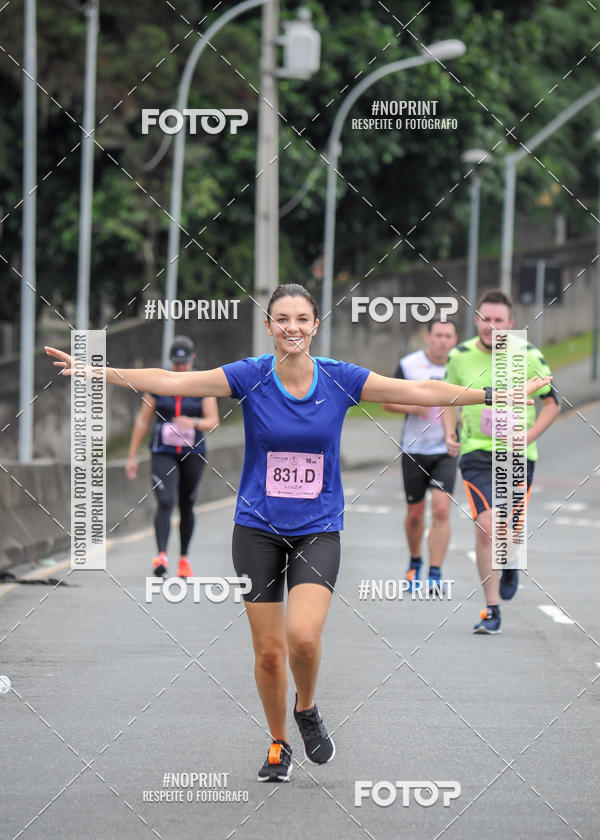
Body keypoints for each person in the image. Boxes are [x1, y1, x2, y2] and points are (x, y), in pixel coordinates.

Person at [45, 283, 551, 781]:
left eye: (302, 319)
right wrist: (97, 372)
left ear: (314, 326)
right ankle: (278, 742)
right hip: (257, 530)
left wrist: (494, 392)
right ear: (268, 326)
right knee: (268, 652)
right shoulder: (249, 375)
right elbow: (174, 382)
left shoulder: (339, 378)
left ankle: (305, 708)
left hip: (318, 529)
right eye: (282, 319)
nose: (292, 328)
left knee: (303, 639)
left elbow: (419, 390)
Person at [442, 289, 560, 635]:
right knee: (485, 527)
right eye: (484, 318)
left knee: (506, 534)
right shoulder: (459, 356)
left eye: (498, 320)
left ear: (510, 324)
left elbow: (552, 402)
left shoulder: (529, 355)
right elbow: (447, 398)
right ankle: (491, 610)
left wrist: (529, 436)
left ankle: (509, 563)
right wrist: (450, 432)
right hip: (476, 451)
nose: (490, 326)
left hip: (517, 455)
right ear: (476, 319)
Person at [124, 336, 219, 579]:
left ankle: (184, 559)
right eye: (176, 364)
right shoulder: (159, 383)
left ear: (192, 359)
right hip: (163, 451)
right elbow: (143, 419)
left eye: (184, 363)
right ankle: (162, 556)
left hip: (193, 453)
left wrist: (193, 422)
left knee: (187, 503)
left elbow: (213, 421)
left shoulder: (203, 384)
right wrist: (132, 456)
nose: (180, 368)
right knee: (165, 500)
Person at [383, 318, 458, 591]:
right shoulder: (409, 364)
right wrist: (416, 407)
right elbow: (386, 400)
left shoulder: (458, 365)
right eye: (438, 335)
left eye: (448, 336)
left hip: (446, 449)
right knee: (415, 514)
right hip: (414, 449)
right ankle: (415, 561)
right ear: (428, 337)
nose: (442, 341)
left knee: (441, 509)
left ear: (455, 339)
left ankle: (435, 571)